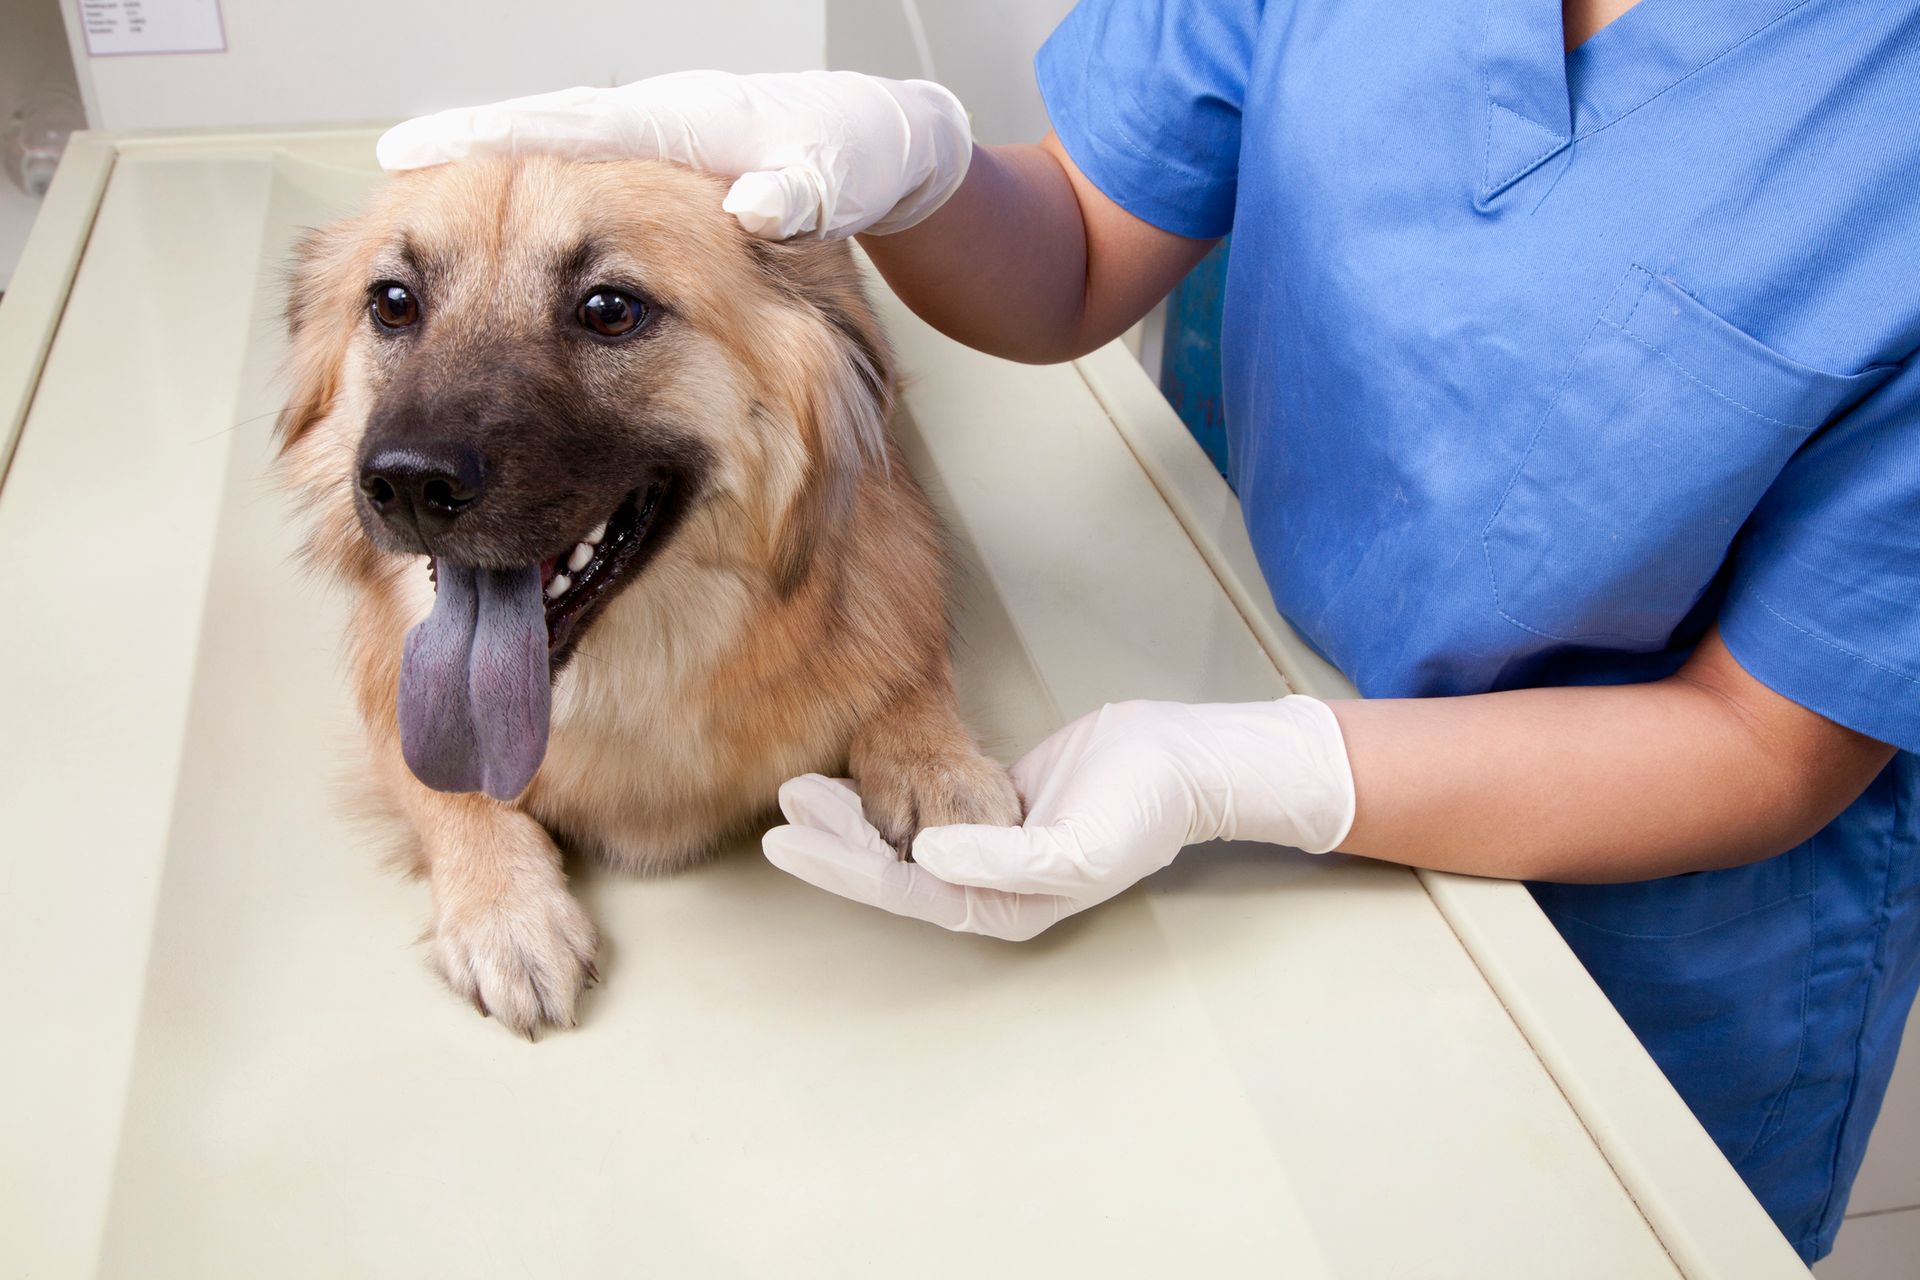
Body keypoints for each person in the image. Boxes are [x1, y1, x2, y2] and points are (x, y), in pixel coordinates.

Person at [378, 0, 1920, 1260]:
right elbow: (1076, 253)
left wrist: (1244, 774)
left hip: (1643, 926)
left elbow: (1767, 741)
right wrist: (923, 169)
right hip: (1227, 622)